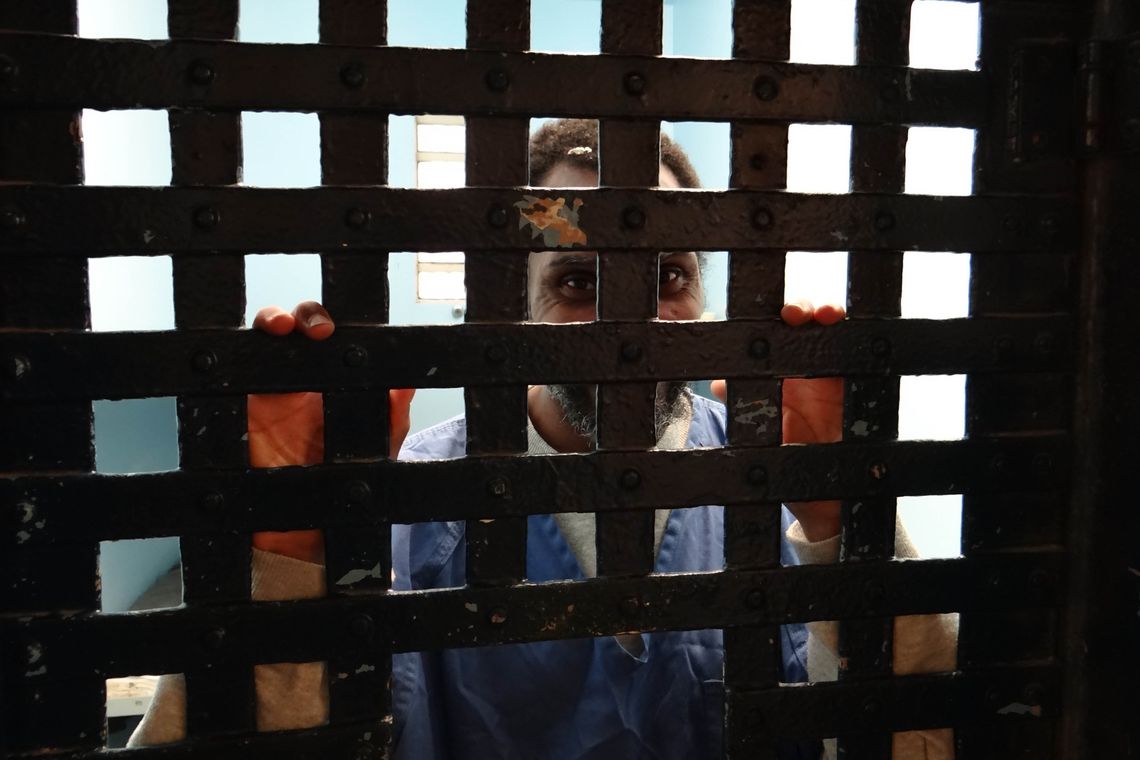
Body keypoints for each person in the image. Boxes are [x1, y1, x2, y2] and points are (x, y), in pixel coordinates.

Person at [130, 120, 956, 759]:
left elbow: (926, 732)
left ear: (703, 299)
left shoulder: (771, 490)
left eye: (668, 277)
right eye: (575, 280)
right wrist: (290, 555)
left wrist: (842, 520)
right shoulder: (415, 508)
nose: (628, 322)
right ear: (513, 308)